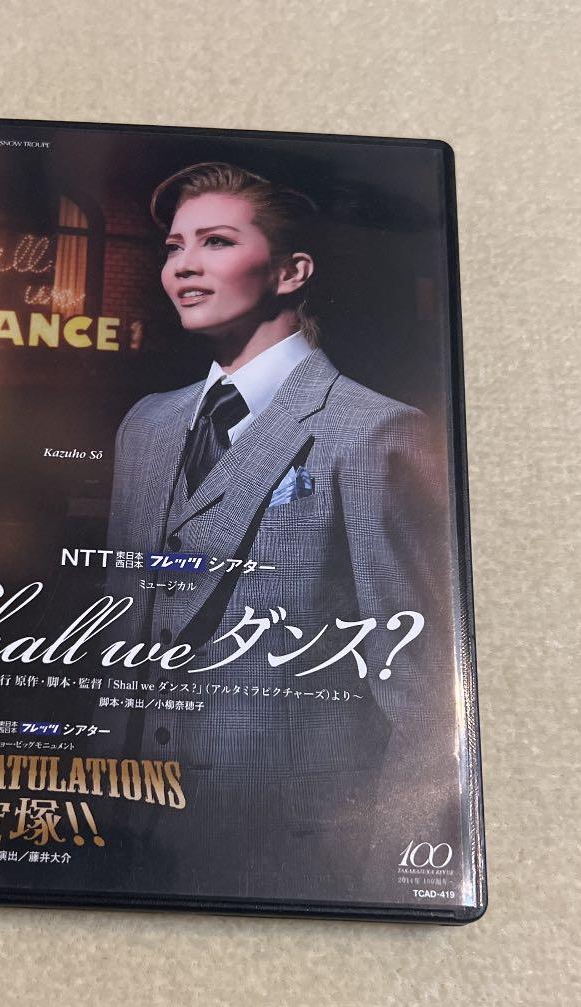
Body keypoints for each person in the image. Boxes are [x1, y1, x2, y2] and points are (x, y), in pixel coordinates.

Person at [103, 162, 452, 901]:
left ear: (292, 271)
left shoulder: (376, 433)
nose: (183, 266)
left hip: (290, 857)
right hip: (127, 843)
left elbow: (424, 700)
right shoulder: (146, 426)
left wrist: (387, 886)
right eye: (173, 247)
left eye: (216, 241)